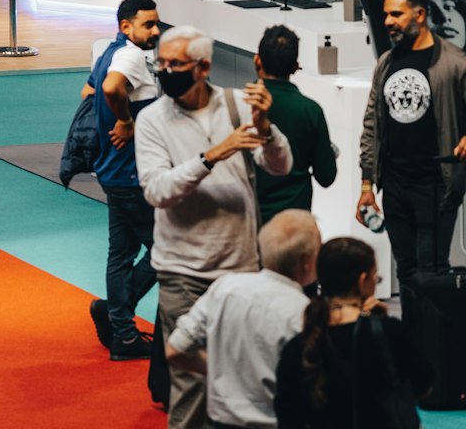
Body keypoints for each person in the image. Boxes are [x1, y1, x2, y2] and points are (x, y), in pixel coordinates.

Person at [135, 25, 293, 429]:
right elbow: (157, 190)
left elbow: (281, 166)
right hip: (181, 272)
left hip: (239, 269)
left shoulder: (238, 105)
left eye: (175, 64)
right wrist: (210, 157)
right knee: (188, 386)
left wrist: (267, 130)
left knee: (242, 378)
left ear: (203, 68)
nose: (165, 70)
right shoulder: (152, 119)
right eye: (161, 63)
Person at [166, 209, 321, 429]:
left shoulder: (225, 287)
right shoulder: (302, 312)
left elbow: (175, 350)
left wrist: (224, 370)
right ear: (306, 262)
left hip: (218, 421)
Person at [357, 0, 466, 284]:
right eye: (385, 15)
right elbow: (371, 126)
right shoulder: (386, 64)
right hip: (394, 187)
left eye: (396, 14)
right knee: (406, 271)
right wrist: (367, 185)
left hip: (435, 187)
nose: (388, 21)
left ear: (419, 14)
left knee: (431, 274)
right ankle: (411, 331)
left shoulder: (455, 63)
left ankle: (432, 333)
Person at [275, 238, 431, 429]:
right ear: (363, 280)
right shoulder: (390, 332)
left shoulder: (299, 346)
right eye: (376, 277)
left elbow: (287, 414)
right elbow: (423, 384)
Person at [83, 0, 162, 361]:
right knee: (165, 250)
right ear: (126, 26)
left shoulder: (108, 51)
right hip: (131, 174)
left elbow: (87, 91)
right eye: (149, 24)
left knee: (121, 252)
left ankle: (123, 332)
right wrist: (127, 120)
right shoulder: (129, 56)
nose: (156, 30)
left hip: (111, 170)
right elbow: (112, 88)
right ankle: (119, 319)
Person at [255, 26, 337, 225]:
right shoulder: (311, 111)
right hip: (295, 220)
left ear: (257, 61)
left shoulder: (241, 105)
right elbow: (326, 176)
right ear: (295, 67)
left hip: (251, 217)